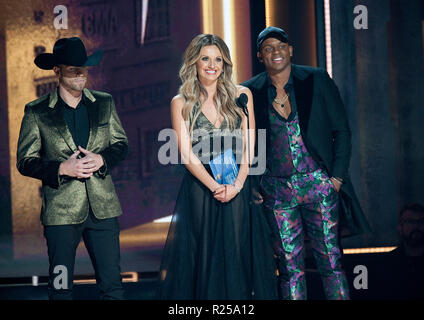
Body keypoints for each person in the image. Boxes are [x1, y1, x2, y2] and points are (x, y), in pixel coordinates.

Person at [242, 27, 370, 300]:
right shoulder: (250, 91)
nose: (275, 51)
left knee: (331, 263)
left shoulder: (316, 79)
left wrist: (335, 178)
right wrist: (255, 183)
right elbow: (245, 143)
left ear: (290, 50)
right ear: (259, 56)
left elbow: (342, 131)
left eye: (280, 45)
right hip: (276, 190)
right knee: (290, 268)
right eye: (268, 48)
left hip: (319, 184)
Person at [157, 34, 279, 299]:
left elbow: (249, 146)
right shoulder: (181, 102)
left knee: (235, 253)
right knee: (204, 254)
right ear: (194, 63)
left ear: (224, 63)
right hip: (202, 187)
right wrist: (215, 187)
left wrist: (236, 186)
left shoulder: (241, 95)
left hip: (238, 185)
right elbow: (187, 154)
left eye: (218, 59)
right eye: (205, 59)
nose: (212, 65)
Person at [16, 37, 128, 299]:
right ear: (57, 71)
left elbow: (121, 145)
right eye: (73, 68)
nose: (80, 74)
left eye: (83, 68)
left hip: (104, 210)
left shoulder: (104, 102)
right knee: (60, 287)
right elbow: (25, 161)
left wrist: (102, 159)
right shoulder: (37, 111)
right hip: (61, 215)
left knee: (113, 286)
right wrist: (62, 168)